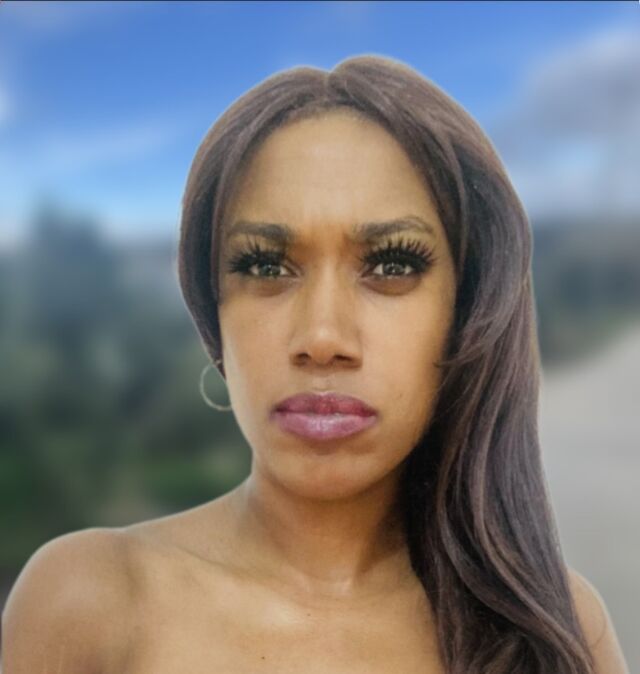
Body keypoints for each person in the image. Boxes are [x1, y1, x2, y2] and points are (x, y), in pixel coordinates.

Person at [1, 55, 629, 674]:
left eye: (391, 265)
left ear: (467, 306)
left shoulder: (557, 631)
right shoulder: (89, 602)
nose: (322, 337)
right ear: (213, 311)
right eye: (265, 266)